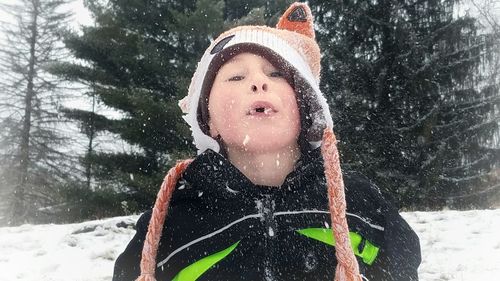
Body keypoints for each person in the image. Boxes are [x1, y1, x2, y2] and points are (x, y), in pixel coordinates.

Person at [113, 3, 421, 281]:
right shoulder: (172, 221)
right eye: (235, 77)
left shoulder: (360, 203)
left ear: (305, 108)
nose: (258, 82)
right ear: (210, 121)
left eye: (276, 74)